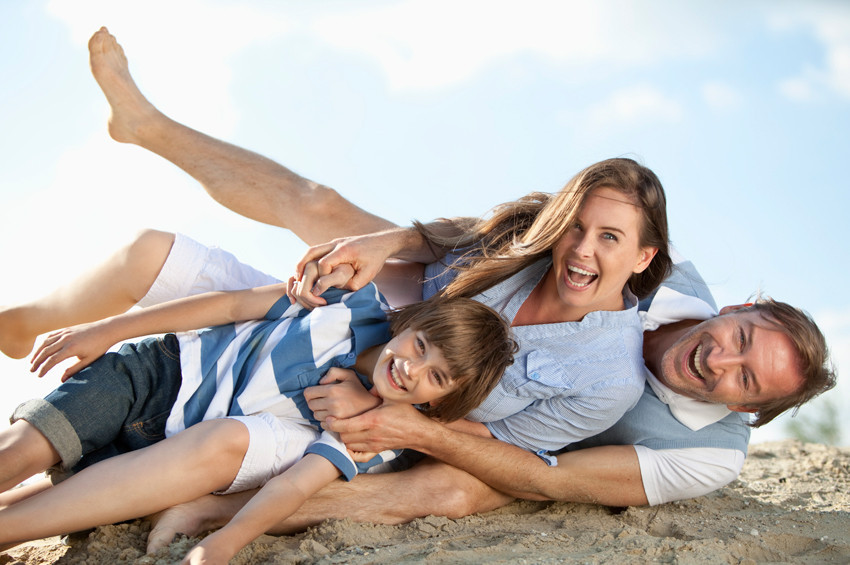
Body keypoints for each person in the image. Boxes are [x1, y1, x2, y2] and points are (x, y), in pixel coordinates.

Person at [0, 26, 835, 550]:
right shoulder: (651, 263)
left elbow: (546, 477)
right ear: (732, 307)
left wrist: (391, 415)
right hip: (395, 325)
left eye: (744, 380)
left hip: (438, 409)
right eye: (739, 339)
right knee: (296, 220)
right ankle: (45, 291)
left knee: (457, 486)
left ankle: (212, 507)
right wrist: (383, 243)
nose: (720, 361)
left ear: (748, 411)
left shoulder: (693, 445)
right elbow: (493, 231)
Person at [0, 274, 515, 562]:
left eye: (436, 376)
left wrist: (223, 543)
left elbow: (294, 485)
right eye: (420, 345)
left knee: (38, 506)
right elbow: (231, 306)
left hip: (159, 450)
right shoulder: (350, 303)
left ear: (441, 401)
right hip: (158, 374)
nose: (411, 368)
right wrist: (109, 329)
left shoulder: (374, 433)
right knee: (15, 457)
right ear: (411, 324)